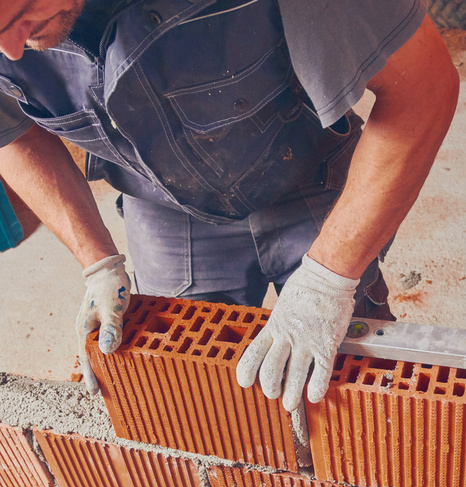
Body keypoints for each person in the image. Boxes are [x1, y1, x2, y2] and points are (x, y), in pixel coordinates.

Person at [0, 0, 459, 411]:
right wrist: (96, 260)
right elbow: (13, 132)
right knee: (188, 387)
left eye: (21, 16)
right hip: (162, 201)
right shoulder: (8, 42)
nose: (14, 51)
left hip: (302, 164)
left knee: (350, 375)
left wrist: (328, 280)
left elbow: (423, 88)